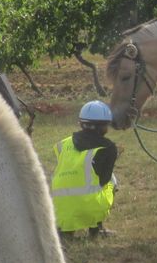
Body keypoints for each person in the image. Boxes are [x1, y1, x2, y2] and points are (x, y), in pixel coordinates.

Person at [51, 100, 118, 238]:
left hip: (59, 207)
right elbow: (104, 179)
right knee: (112, 181)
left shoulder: (63, 144)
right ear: (104, 126)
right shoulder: (109, 147)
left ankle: (65, 230)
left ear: (81, 123)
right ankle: (96, 228)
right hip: (89, 207)